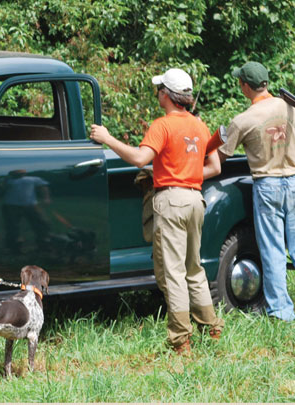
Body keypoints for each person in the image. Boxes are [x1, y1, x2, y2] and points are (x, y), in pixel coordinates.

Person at [91, 68, 224, 354]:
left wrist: (108, 138)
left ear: (166, 94)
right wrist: (186, 173)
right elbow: (215, 167)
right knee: (194, 268)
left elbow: (140, 158)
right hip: (195, 200)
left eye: (159, 89)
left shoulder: (162, 125)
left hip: (171, 201)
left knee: (173, 273)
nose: (157, 93)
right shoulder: (200, 126)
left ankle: (181, 340)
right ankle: (211, 328)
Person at [217, 61, 295, 321]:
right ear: (266, 82)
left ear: (245, 86)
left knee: (273, 251)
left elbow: (221, 157)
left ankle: (281, 312)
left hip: (267, 185)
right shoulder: (293, 108)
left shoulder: (243, 120)